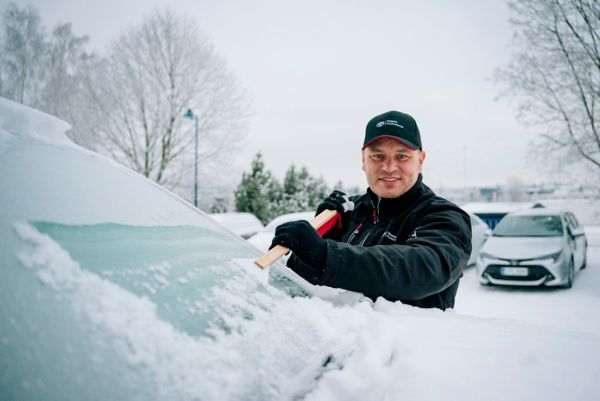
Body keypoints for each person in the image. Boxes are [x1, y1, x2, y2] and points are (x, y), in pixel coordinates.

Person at [271, 110, 472, 310]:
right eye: (378, 156)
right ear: (363, 159)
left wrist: (327, 255)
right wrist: (319, 240)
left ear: (420, 160)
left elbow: (423, 269)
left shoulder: (445, 217)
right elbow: (306, 287)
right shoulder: (351, 211)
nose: (389, 167)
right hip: (338, 339)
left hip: (405, 341)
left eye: (402, 156)